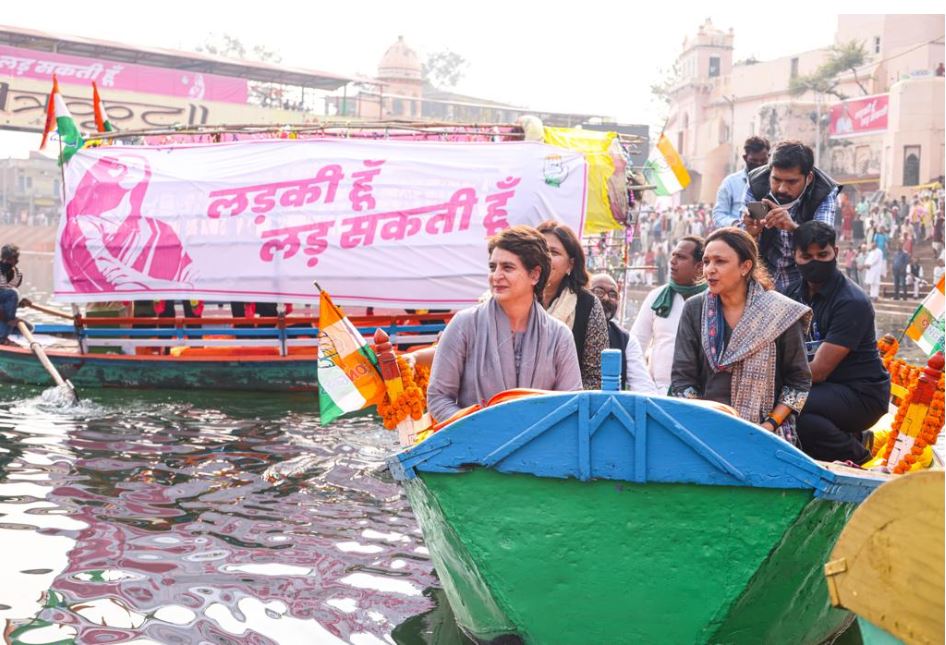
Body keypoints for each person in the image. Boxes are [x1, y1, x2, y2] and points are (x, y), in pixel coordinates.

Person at [426, 226, 582, 423]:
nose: (496, 276)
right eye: (493, 267)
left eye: (507, 267)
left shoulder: (559, 336)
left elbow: (570, 405)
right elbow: (439, 396)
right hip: (473, 447)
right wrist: (476, 429)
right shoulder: (464, 325)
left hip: (539, 448)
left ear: (534, 275)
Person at [670, 228, 811, 443]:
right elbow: (682, 378)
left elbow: (798, 383)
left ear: (745, 266)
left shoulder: (779, 313)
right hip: (704, 429)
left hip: (767, 435)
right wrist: (703, 421)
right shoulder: (694, 309)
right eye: (706, 261)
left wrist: (769, 424)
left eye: (720, 262)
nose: (710, 270)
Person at [789, 222, 890, 464]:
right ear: (795, 256)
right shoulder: (792, 293)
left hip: (861, 395)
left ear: (835, 251)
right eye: (807, 256)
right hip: (822, 391)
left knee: (791, 408)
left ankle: (859, 457)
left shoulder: (851, 302)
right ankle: (854, 439)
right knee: (800, 417)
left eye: (822, 255)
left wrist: (772, 380)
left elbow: (821, 371)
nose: (815, 262)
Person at [741, 140, 839, 295]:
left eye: (791, 182)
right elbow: (741, 243)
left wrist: (793, 227)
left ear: (809, 178)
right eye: (776, 180)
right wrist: (751, 234)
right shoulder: (756, 183)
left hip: (806, 281)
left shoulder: (824, 191)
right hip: (763, 277)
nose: (782, 188)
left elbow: (821, 242)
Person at [537, 221, 609, 390]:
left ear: (570, 264)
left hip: (569, 405)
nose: (545, 258)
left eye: (554, 252)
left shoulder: (587, 304)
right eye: (541, 251)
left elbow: (595, 375)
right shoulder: (517, 298)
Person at [633, 236, 707, 392]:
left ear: (700, 266)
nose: (672, 261)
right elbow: (635, 345)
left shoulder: (712, 299)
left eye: (680, 257)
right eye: (673, 255)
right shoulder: (656, 297)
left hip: (700, 395)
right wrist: (645, 387)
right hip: (657, 391)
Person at [589, 272, 659, 394]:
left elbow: (643, 387)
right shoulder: (569, 330)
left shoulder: (626, 340)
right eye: (598, 292)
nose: (606, 298)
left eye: (612, 294)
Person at [713, 136, 771, 229]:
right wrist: (737, 224)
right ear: (745, 158)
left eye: (763, 161)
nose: (759, 165)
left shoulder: (775, 182)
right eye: (754, 161)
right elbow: (719, 215)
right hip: (739, 237)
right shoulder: (730, 183)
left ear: (769, 157)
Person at [0, 244, 31, 344]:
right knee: (13, 293)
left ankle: (4, 332)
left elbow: (8, 303)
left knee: (29, 328)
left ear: (15, 260)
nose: (6, 262)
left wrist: (20, 304)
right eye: (4, 259)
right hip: (2, 316)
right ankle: (2, 337)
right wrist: (8, 320)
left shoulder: (18, 274)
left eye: (10, 259)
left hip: (3, 315)